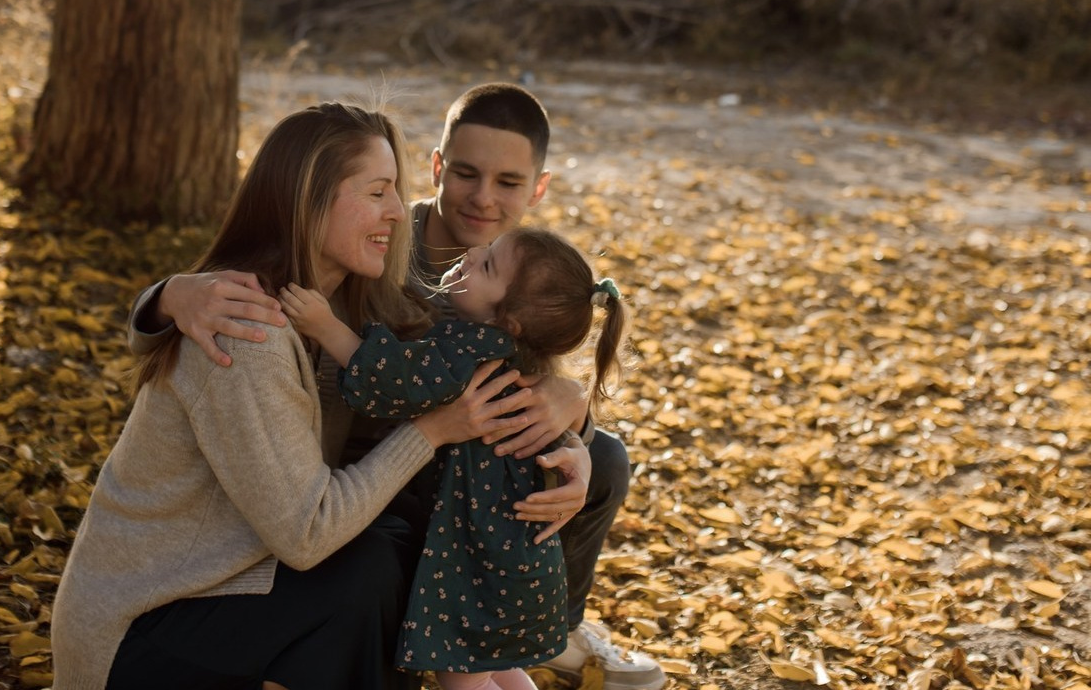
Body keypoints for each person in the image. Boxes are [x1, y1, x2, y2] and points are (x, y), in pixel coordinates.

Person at [129, 82, 661, 690]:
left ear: (536, 189)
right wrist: (168, 296)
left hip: (427, 453)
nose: (483, 198)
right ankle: (462, 638)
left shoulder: (521, 268)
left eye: (508, 183)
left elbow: (521, 367)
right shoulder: (378, 249)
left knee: (602, 458)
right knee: (391, 550)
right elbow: (232, 314)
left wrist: (568, 416)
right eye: (466, 173)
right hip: (358, 458)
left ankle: (537, 631)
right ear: (437, 168)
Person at [50, 102, 546, 690]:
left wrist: (566, 426)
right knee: (367, 573)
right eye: (377, 192)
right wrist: (433, 430)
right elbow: (308, 535)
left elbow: (466, 362)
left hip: (232, 582)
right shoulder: (246, 328)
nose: (397, 211)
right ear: (308, 201)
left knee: (406, 539)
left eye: (395, 191)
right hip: (140, 627)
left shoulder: (343, 310)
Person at [279, 226, 629, 690]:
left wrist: (326, 328)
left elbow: (398, 379)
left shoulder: (469, 351)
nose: (474, 252)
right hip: (512, 556)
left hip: (479, 562)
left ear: (509, 321)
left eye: (488, 264)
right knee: (495, 668)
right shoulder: (512, 356)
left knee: (463, 679)